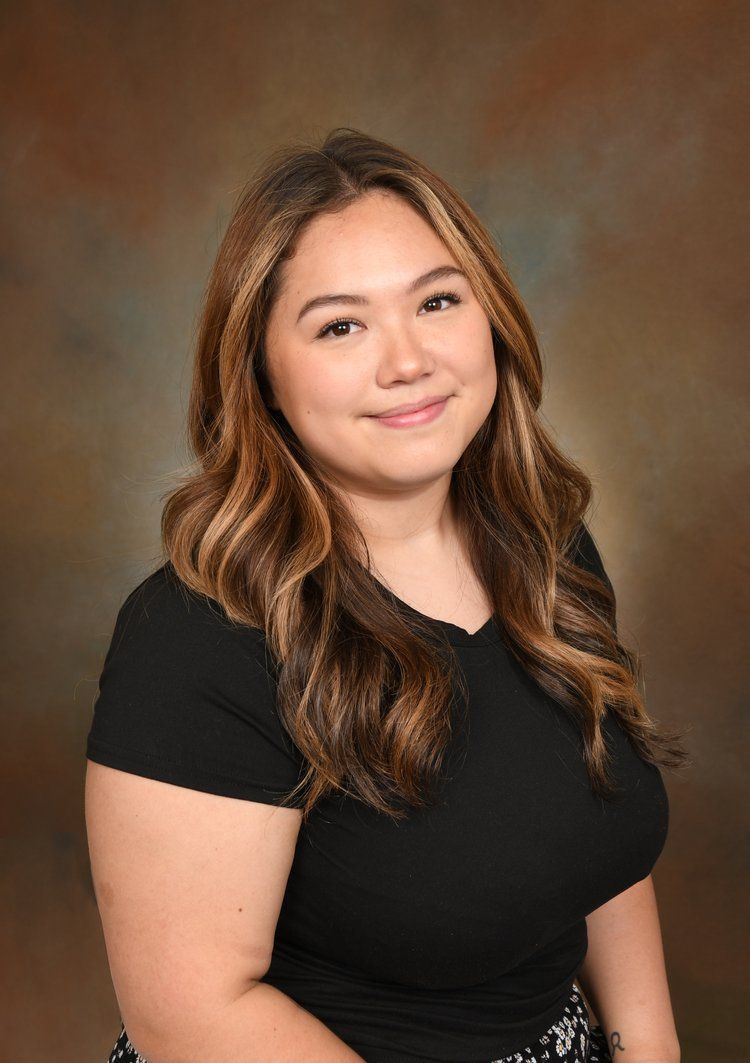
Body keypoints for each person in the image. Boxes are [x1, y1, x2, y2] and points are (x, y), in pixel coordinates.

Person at [84, 127, 690, 1063]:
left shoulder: (547, 549)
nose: (408, 361)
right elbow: (193, 1012)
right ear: (262, 376)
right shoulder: (198, 637)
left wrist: (647, 1048)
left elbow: (592, 834)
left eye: (437, 301)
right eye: (341, 325)